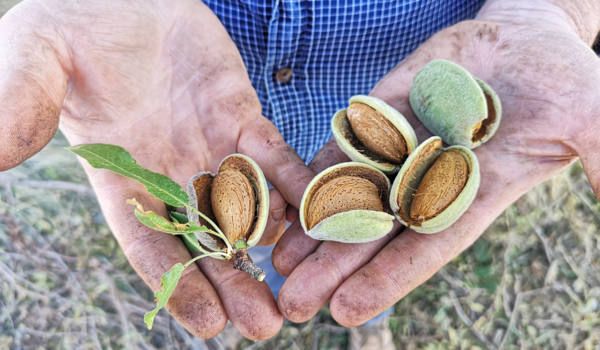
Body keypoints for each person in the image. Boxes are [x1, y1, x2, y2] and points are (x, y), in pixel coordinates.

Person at [0, 0, 599, 348]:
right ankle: (258, 278)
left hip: (396, 64)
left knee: (361, 251)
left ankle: (369, 323)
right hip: (183, 83)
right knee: (270, 242)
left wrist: (549, 9)